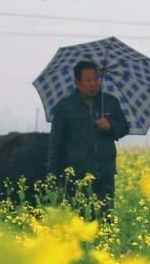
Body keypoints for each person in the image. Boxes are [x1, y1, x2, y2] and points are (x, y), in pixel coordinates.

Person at [47, 60, 129, 218]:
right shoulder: (65, 107)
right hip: (77, 174)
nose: (93, 84)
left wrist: (110, 126)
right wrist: (53, 175)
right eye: (88, 80)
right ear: (77, 82)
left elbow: (124, 127)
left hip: (105, 172)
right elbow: (55, 142)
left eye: (95, 79)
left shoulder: (110, 102)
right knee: (80, 219)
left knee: (105, 219)